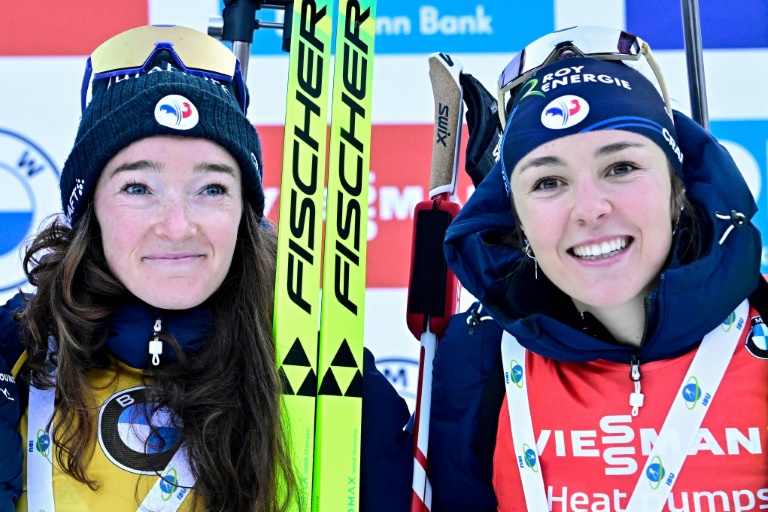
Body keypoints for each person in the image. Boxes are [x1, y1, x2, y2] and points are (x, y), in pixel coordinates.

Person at [0, 25, 411, 512]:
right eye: (138, 188)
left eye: (211, 189)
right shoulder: (16, 349)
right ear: (91, 208)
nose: (177, 227)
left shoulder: (330, 385)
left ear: (244, 212)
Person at [427, 26, 768, 511]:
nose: (589, 208)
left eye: (621, 168)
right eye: (548, 181)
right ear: (517, 218)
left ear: (678, 189)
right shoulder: (477, 357)